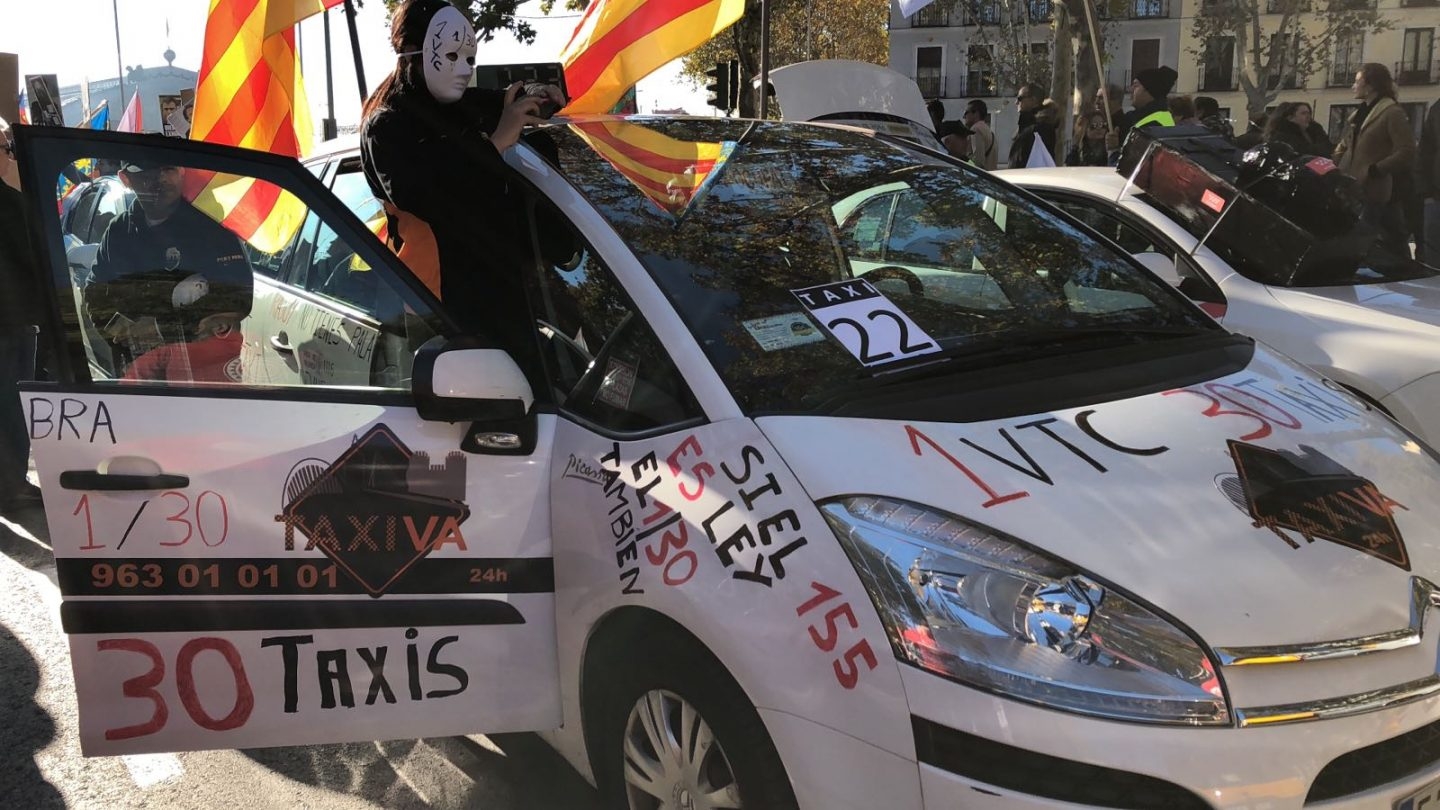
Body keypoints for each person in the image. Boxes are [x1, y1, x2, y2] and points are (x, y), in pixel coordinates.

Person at [360, 0, 563, 339]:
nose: (465, 69)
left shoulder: (455, 107)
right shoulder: (386, 126)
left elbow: (502, 101)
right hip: (438, 312)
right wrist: (495, 143)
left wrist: (535, 95)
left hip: (502, 297)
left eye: (470, 58)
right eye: (452, 56)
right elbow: (430, 195)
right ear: (413, 51)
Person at [86, 160, 254, 379]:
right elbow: (94, 292)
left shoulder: (210, 227)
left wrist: (159, 328)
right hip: (137, 373)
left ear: (182, 171)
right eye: (148, 171)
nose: (161, 178)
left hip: (203, 378)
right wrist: (121, 331)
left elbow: (238, 298)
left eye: (169, 168)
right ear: (126, 179)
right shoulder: (118, 232)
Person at [0, 117, 44, 512]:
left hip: (15, 322)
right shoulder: (11, 204)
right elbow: (35, 261)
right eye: (7, 150)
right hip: (11, 326)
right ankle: (10, 484)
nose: (11, 157)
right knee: (12, 408)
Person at [1333, 63, 1418, 258]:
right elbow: (1346, 144)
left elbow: (1407, 149)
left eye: (1357, 81)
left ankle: (1402, 272)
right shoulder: (1359, 113)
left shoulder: (1392, 113)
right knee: (1374, 235)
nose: (1353, 86)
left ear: (1370, 85)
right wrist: (1334, 163)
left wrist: (1377, 170)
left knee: (1377, 236)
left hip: (1375, 189)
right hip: (1354, 187)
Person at [1108, 66, 1177, 154]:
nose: (1130, 89)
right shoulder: (1164, 116)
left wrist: (1113, 149)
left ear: (1149, 90)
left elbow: (1130, 162)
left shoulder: (1147, 124)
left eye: (1136, 85)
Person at [1009, 84, 1058, 167]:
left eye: (1020, 98)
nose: (1016, 102)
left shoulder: (1041, 128)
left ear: (1033, 100)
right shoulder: (1026, 125)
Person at [1263, 101, 1333, 157]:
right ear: (1290, 117)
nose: (1308, 116)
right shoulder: (1283, 134)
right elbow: (1302, 151)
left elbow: (1328, 148)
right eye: (1303, 113)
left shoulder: (1315, 130)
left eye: (1309, 113)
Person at [1420, 97, 1440, 265]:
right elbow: (1425, 153)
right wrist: (1426, 193)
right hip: (1436, 195)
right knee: (1433, 258)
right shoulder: (1436, 109)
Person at [963, 99, 998, 170]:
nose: (964, 116)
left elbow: (977, 162)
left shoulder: (976, 129)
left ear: (976, 113)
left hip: (979, 178)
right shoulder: (988, 130)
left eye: (966, 113)